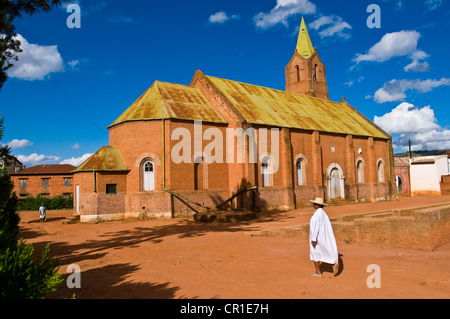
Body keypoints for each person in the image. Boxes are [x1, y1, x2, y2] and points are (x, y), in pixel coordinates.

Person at [309, 197, 339, 277]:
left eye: (315, 204)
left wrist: (313, 238)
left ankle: (318, 272)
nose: (313, 205)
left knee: (314, 253)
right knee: (325, 249)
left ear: (317, 205)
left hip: (317, 237)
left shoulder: (317, 214)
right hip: (323, 236)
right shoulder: (323, 213)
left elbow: (316, 227)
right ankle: (333, 263)